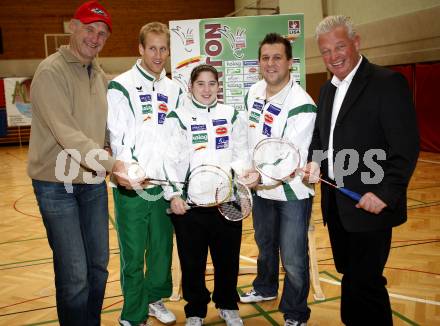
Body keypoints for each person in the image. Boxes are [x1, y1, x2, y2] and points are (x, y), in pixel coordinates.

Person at [304, 15, 419, 325]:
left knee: (365, 282)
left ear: (356, 43)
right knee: (351, 276)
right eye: (325, 51)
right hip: (337, 206)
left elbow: (405, 147)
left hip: (370, 203)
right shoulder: (327, 89)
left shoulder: (386, 83)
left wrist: (385, 194)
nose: (333, 57)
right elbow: (321, 137)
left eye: (339, 47)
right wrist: (315, 161)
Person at [28, 1, 131, 325]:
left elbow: (105, 132)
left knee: (98, 268)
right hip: (55, 187)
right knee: (74, 275)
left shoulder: (99, 77)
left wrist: (119, 155)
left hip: (91, 184)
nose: (95, 37)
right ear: (72, 27)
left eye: (102, 33)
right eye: (89, 28)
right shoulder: (50, 71)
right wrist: (115, 164)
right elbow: (68, 134)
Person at [107, 22, 183, 326]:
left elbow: (177, 140)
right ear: (140, 49)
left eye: (163, 48)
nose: (158, 54)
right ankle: (133, 312)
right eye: (152, 47)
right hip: (132, 188)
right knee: (134, 254)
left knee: (162, 251)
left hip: (163, 187)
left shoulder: (175, 89)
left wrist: (174, 185)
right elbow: (118, 138)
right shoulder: (120, 85)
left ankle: (154, 300)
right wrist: (133, 174)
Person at [163, 64, 251, 326]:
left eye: (212, 83)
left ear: (218, 87)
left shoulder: (232, 114)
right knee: (192, 263)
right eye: (200, 83)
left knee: (228, 260)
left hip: (228, 203)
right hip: (190, 206)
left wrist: (244, 176)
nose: (206, 89)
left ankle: (227, 305)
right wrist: (173, 195)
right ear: (190, 87)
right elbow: (170, 161)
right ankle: (195, 310)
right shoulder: (177, 117)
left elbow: (241, 154)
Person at [239, 33, 317, 326]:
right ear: (259, 62)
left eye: (277, 58)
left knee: (294, 258)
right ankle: (265, 287)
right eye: (265, 58)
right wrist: (246, 171)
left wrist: (260, 175)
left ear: (290, 62)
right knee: (264, 244)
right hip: (260, 191)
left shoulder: (302, 104)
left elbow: (291, 156)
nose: (270, 64)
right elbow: (247, 139)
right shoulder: (254, 92)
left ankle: (296, 312)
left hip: (292, 193)